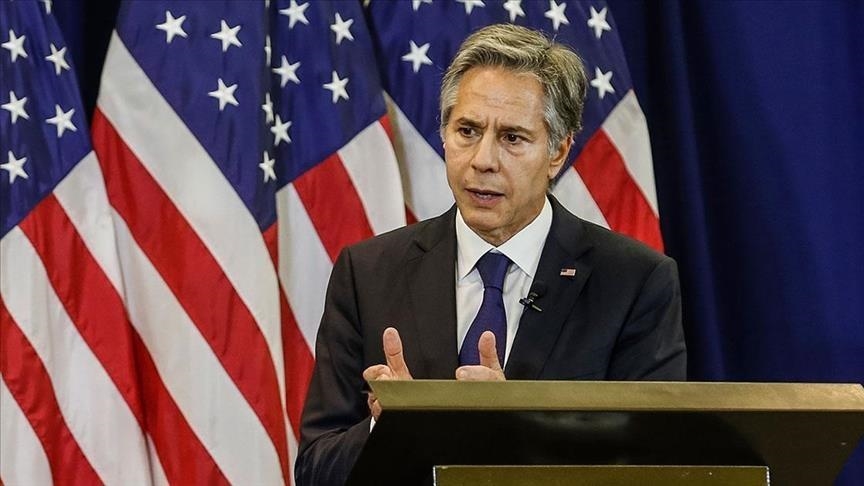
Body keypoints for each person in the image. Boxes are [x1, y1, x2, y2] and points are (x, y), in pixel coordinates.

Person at [295, 23, 686, 486]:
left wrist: (516, 429)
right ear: (444, 134)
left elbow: (655, 469)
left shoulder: (634, 283)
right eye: (467, 130)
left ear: (558, 152)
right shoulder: (368, 273)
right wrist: (390, 428)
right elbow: (316, 469)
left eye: (512, 138)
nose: (483, 160)